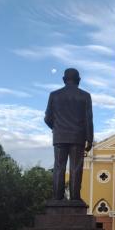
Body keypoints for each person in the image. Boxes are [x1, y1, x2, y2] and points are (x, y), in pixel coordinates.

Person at [44, 68, 94, 202]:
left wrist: (56, 128)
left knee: (59, 167)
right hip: (78, 137)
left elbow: (47, 118)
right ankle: (75, 198)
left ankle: (57, 197)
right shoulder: (85, 96)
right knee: (76, 167)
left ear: (64, 80)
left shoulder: (54, 95)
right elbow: (88, 119)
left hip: (60, 137)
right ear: (79, 80)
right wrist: (89, 139)